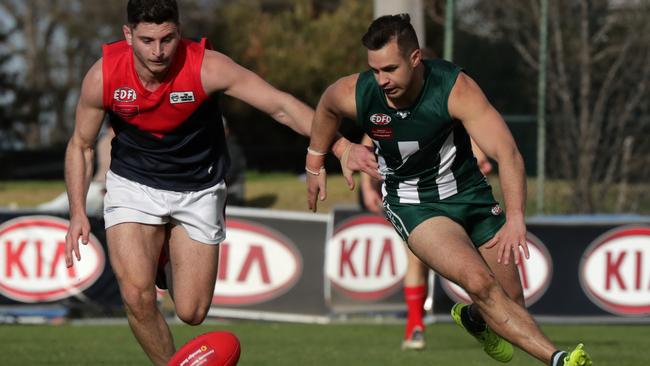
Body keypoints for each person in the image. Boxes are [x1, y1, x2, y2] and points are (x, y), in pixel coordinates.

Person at [62, 1, 374, 365]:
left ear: (179, 31)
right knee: (136, 296)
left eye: (168, 39)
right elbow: (80, 145)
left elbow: (280, 105)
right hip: (134, 184)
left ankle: (163, 254)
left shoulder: (206, 66)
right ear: (128, 35)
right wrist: (78, 211)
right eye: (147, 40)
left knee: (192, 312)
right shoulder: (104, 75)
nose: (159, 51)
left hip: (199, 189)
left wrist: (340, 146)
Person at [306, 14, 591, 366]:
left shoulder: (455, 88)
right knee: (479, 282)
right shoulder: (357, 91)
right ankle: (560, 359)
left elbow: (507, 152)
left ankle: (473, 317)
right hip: (414, 205)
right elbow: (326, 107)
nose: (381, 80)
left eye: (390, 69)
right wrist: (315, 161)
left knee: (511, 302)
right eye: (375, 70)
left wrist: (516, 216)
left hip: (471, 195)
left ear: (415, 58)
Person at [359, 134, 493, 351]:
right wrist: (367, 186)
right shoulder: (384, 109)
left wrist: (478, 161)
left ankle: (482, 318)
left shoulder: (440, 108)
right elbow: (366, 145)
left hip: (450, 195)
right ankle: (414, 325)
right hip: (411, 200)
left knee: (477, 264)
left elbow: (474, 145)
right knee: (417, 260)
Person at [37, 126, 114, 216]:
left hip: (102, 188)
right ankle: (36, 211)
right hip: (100, 186)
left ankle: (38, 211)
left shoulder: (108, 141)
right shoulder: (107, 141)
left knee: (63, 204)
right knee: (62, 204)